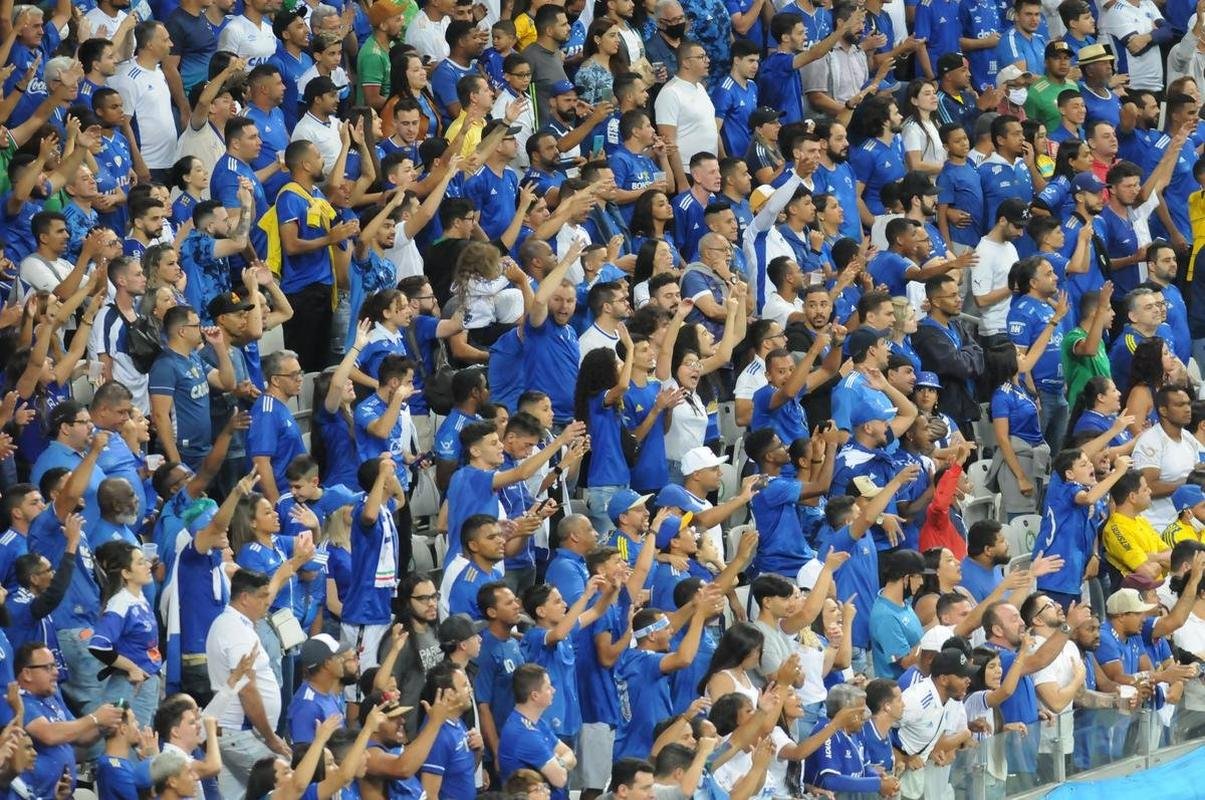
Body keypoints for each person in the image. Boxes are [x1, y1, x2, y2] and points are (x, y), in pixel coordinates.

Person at [499, 664, 578, 799]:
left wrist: (559, 763)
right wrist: (558, 764)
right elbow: (560, 779)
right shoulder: (524, 734)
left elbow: (570, 754)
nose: (553, 690)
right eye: (548, 687)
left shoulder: (537, 723)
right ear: (534, 695)